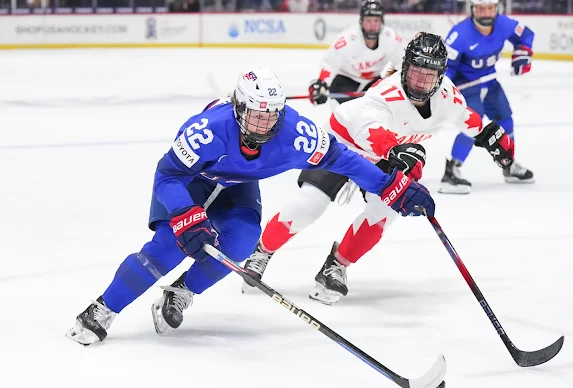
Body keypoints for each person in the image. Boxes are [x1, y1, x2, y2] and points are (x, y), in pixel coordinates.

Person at [66, 68, 436, 345]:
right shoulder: (208, 129)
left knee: (242, 241)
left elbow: (343, 160)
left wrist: (391, 187)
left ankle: (182, 292)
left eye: (271, 115)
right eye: (256, 114)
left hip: (237, 187)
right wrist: (183, 213)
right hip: (190, 182)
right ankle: (103, 308)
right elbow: (167, 176)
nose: (264, 124)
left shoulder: (296, 134)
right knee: (169, 248)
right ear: (238, 107)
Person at [242, 33, 515, 305]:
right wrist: (397, 149)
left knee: (386, 210)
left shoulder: (448, 96)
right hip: (343, 145)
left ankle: (335, 266)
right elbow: (369, 132)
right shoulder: (385, 94)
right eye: (416, 72)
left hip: (388, 153)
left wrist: (488, 133)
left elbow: (465, 117)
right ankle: (262, 251)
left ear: (440, 77)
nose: (420, 82)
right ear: (405, 67)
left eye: (428, 76)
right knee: (309, 204)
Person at [440, 0, 535, 194]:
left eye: (490, 8)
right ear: (473, 9)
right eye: (481, 8)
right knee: (473, 122)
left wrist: (523, 52)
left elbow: (525, 35)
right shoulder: (459, 35)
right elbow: (446, 68)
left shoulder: (504, 24)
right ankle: (452, 170)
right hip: (466, 85)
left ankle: (508, 165)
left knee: (505, 119)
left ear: (496, 9)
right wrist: (444, 92)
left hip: (490, 82)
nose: (486, 13)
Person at [308, 0, 404, 108]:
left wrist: (399, 83)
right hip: (345, 80)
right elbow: (329, 64)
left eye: (376, 20)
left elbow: (401, 64)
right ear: (361, 21)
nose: (372, 25)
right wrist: (322, 84)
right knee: (342, 115)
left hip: (372, 83)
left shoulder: (391, 38)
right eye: (368, 20)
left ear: (382, 21)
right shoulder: (347, 40)